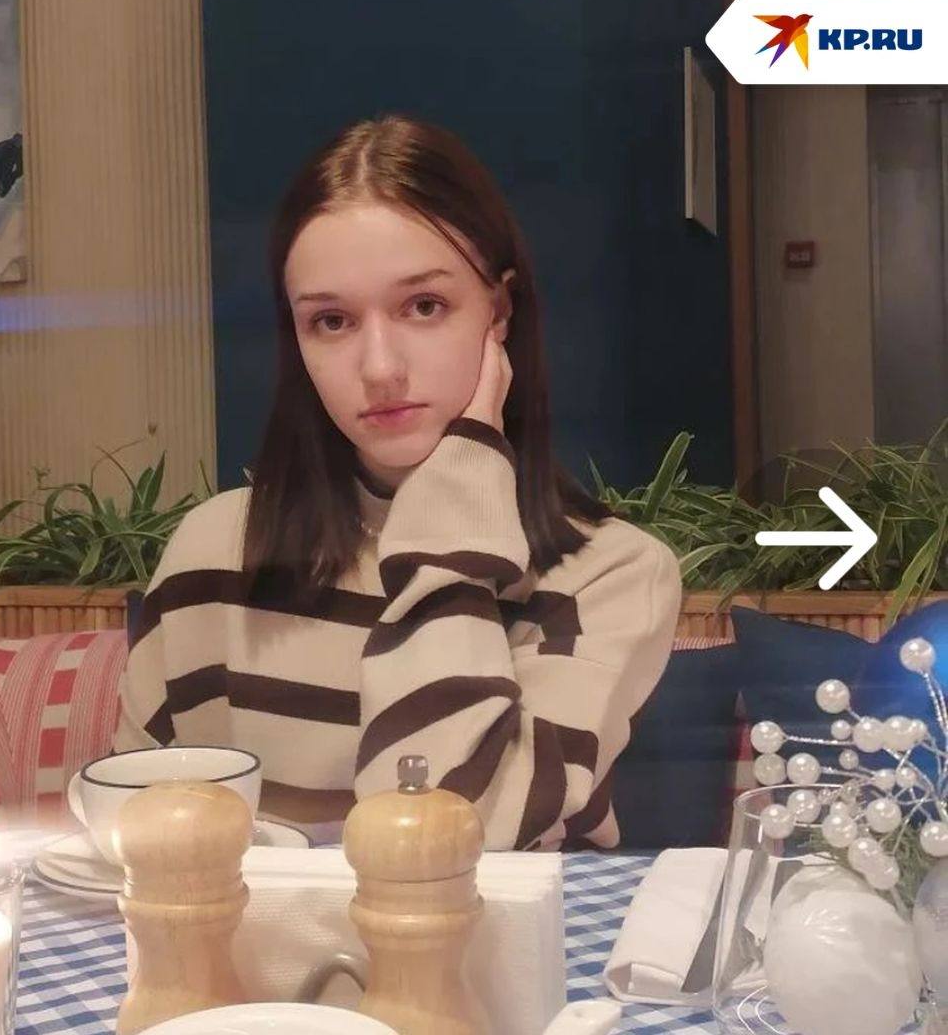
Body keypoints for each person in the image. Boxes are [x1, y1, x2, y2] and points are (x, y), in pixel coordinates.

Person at [114, 114, 682, 851]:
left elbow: (448, 837)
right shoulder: (215, 551)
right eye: (331, 321)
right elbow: (136, 839)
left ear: (499, 313)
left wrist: (455, 518)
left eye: (424, 307)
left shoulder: (611, 575)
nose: (380, 368)